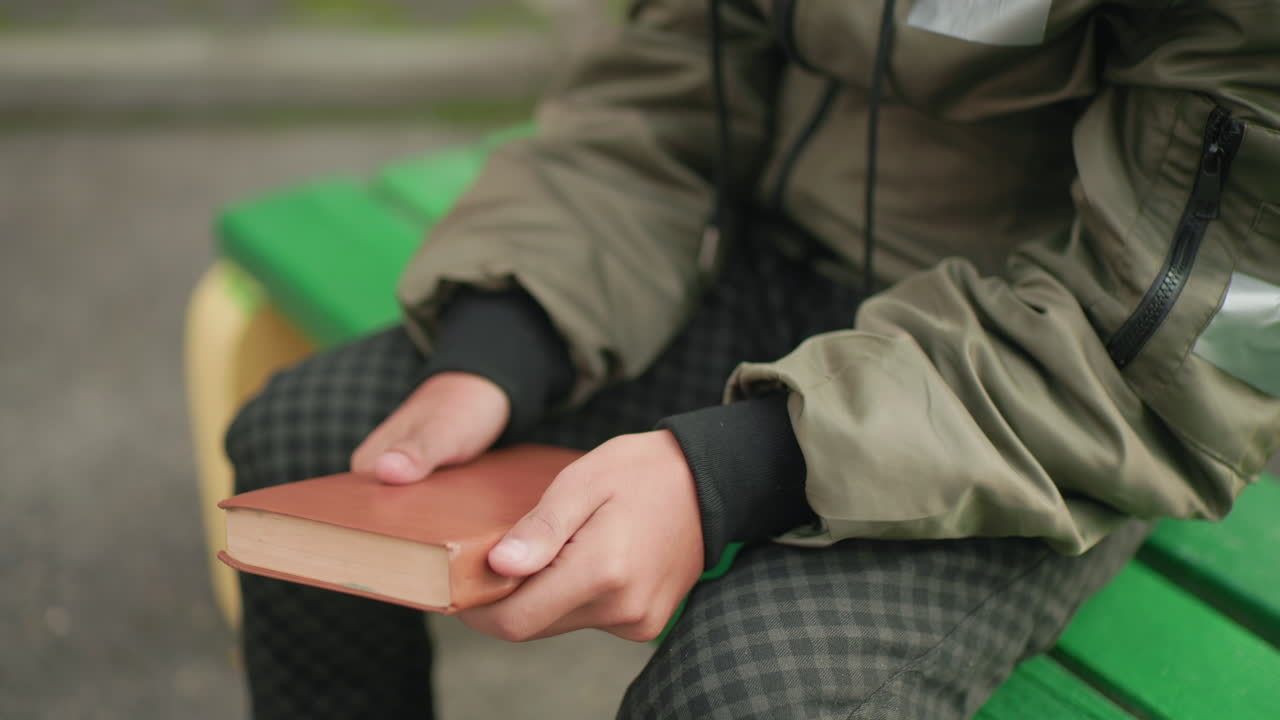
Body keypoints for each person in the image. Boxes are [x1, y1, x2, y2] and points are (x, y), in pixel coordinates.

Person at [225, 1, 1280, 717]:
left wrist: (725, 471)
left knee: (749, 688)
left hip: (1041, 392)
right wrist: (505, 339)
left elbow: (1152, 335)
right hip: (760, 278)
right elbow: (656, 99)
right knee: (312, 450)